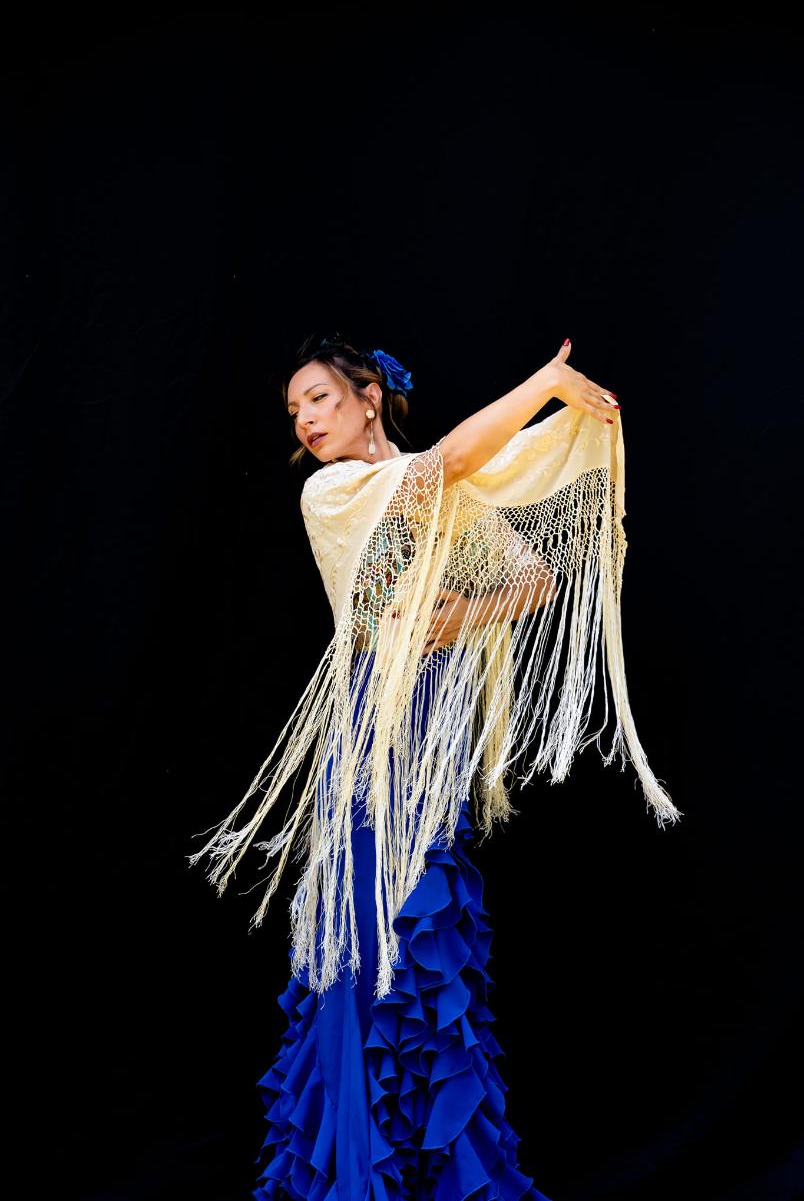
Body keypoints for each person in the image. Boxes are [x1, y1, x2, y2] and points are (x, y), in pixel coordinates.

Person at [188, 332, 682, 1198]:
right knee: (363, 942)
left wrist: (454, 617)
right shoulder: (336, 492)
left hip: (428, 745)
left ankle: (424, 1170)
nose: (305, 420)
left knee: (421, 942)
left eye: (320, 399)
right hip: (372, 745)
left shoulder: (440, 498)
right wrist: (547, 384)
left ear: (367, 396)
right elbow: (449, 466)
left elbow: (530, 579)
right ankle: (353, 1174)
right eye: (295, 410)